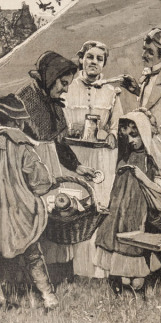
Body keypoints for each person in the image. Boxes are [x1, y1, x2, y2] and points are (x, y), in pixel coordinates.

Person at [14, 51, 98, 278]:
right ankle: (29, 273)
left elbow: (58, 142)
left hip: (50, 161)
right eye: (62, 83)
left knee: (55, 214)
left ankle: (56, 271)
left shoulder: (53, 103)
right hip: (30, 164)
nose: (65, 89)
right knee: (34, 216)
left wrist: (79, 167)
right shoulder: (25, 98)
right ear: (50, 77)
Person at [0, 95, 59, 311]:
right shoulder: (21, 144)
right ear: (17, 121)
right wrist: (50, 185)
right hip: (17, 210)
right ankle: (48, 296)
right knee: (32, 252)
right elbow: (40, 181)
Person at [62, 41, 123, 279]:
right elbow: (62, 121)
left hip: (101, 157)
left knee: (99, 205)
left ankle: (97, 270)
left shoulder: (111, 92)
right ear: (81, 59)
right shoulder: (69, 88)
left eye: (99, 59)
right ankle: (74, 267)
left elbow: (118, 124)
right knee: (75, 205)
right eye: (89, 57)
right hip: (76, 156)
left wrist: (112, 135)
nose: (94, 62)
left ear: (104, 64)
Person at [94, 110, 161, 293]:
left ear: (144, 132)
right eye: (126, 135)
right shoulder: (124, 155)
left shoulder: (152, 158)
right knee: (114, 235)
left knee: (133, 239)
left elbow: (159, 188)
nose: (130, 140)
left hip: (138, 208)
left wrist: (142, 177)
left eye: (134, 135)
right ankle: (120, 278)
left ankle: (136, 278)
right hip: (119, 207)